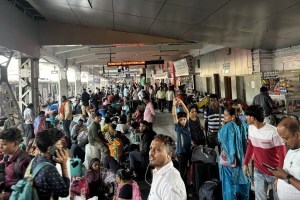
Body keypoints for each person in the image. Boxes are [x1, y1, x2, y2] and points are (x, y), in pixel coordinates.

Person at [243, 105, 286, 200]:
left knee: (278, 197)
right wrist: (245, 163)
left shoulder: (274, 132)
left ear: (253, 118)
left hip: (275, 172)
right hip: (259, 171)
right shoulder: (250, 128)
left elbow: (282, 156)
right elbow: (250, 147)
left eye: (247, 116)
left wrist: (279, 177)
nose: (245, 117)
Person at [218, 108, 249, 200]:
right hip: (242, 160)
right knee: (242, 182)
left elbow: (220, 139)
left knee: (229, 186)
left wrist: (223, 126)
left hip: (230, 161)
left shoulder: (228, 127)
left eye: (226, 115)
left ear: (232, 117)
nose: (224, 118)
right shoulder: (243, 124)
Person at [30, 130, 70, 199]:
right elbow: (64, 192)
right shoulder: (49, 169)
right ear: (49, 148)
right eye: (59, 144)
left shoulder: (35, 160)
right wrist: (64, 165)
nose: (61, 147)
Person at [268, 117, 300, 199]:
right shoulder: (291, 150)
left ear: (297, 135)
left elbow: (286, 175)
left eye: (285, 138)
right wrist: (278, 179)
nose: (283, 142)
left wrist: (286, 176)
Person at [148, 134, 186, 200]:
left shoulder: (169, 183)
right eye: (151, 148)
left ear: (169, 155)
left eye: (157, 149)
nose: (151, 153)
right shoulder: (159, 172)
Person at [0, 128, 31, 200]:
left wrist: (5, 196)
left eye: (3, 144)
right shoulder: (6, 158)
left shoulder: (24, 161)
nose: (0, 147)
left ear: (15, 143)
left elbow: (28, 188)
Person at [172, 98, 191, 182]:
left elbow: (187, 112)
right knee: (181, 171)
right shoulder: (178, 128)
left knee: (188, 169)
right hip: (181, 153)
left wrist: (182, 102)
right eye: (181, 120)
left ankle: (187, 184)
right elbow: (174, 115)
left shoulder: (187, 126)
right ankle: (181, 186)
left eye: (184, 119)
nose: (183, 121)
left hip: (188, 151)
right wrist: (174, 105)